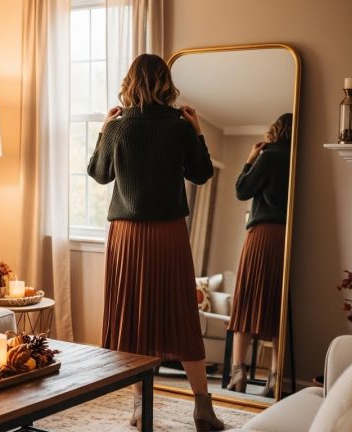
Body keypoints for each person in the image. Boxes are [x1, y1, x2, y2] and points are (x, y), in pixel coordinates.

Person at [88, 53, 224, 432]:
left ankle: (138, 407)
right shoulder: (179, 126)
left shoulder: (118, 127)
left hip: (128, 237)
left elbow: (99, 174)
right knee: (181, 315)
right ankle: (203, 408)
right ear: (166, 82)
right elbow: (201, 173)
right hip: (169, 234)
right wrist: (196, 131)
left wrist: (104, 127)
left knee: (133, 319)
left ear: (130, 83)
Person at [226, 113, 292, 398]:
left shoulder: (270, 155)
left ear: (275, 131)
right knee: (277, 306)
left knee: (246, 302)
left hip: (261, 235)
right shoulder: (300, 159)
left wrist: (250, 158)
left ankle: (237, 373)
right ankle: (276, 379)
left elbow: (242, 190)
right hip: (287, 239)